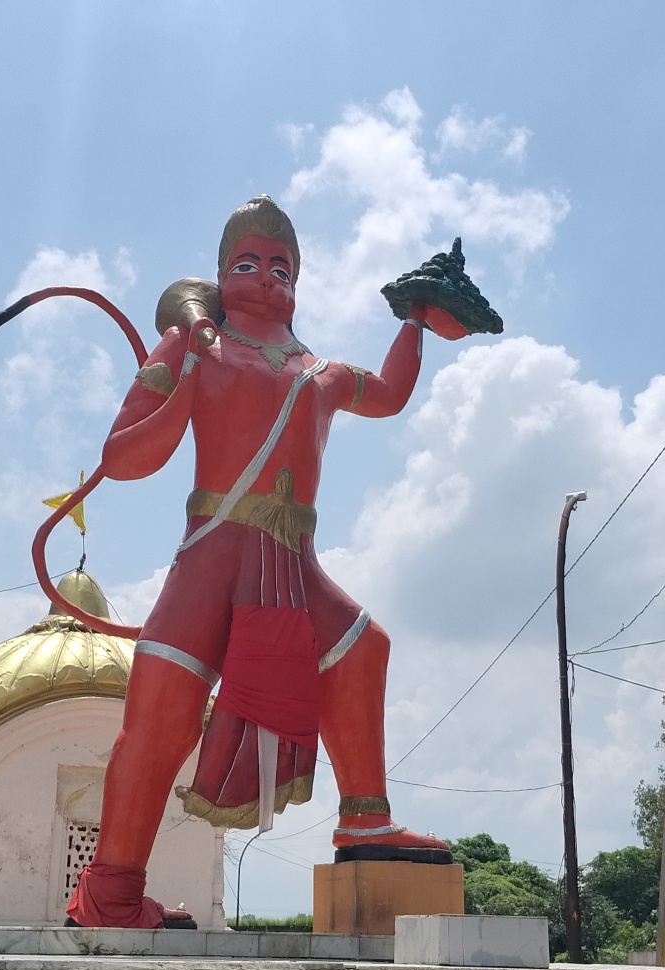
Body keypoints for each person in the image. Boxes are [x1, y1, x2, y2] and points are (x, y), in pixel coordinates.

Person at [65, 196, 461, 929]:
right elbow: (120, 460)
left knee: (359, 647)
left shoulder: (323, 373)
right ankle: (110, 895)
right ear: (220, 273)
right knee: (158, 719)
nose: (267, 276)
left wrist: (415, 318)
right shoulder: (192, 346)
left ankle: (365, 823)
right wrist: (185, 374)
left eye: (282, 266)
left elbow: (394, 394)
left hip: (290, 559)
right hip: (211, 552)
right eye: (248, 263)